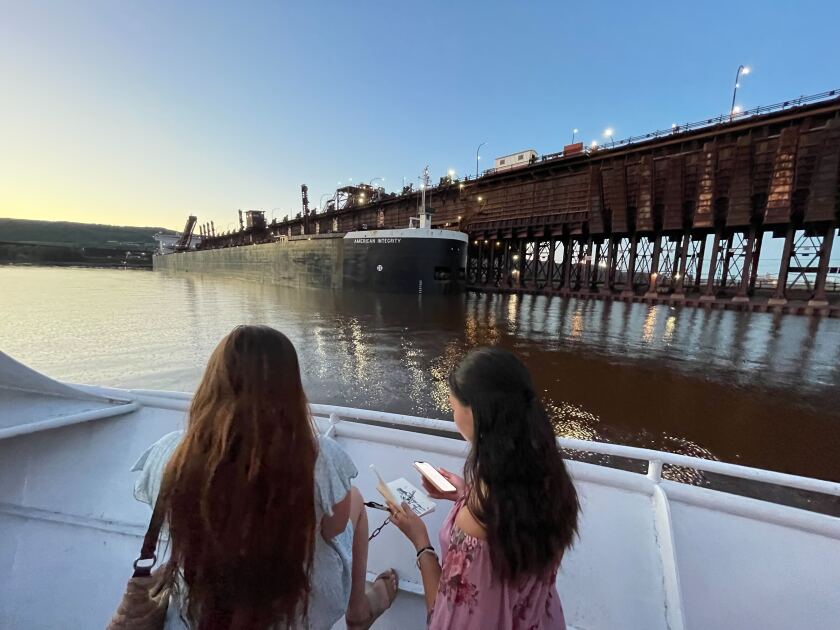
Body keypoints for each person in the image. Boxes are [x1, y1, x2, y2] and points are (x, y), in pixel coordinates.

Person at [131, 325, 397, 629]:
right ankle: (358, 610)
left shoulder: (169, 455)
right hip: (298, 614)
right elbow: (334, 529)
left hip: (196, 613)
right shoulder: (320, 457)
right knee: (356, 502)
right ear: (290, 389)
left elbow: (172, 525)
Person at [388, 347, 579, 629]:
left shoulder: (476, 525)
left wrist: (421, 543)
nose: (453, 416)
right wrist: (464, 493)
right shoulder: (555, 483)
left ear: (475, 414)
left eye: (453, 407)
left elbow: (446, 619)